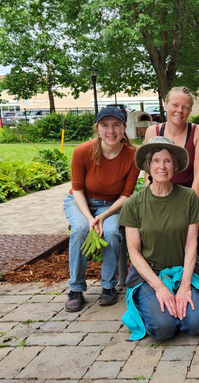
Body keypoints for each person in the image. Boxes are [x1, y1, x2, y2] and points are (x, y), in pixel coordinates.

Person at [118, 136, 199, 341]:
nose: (162, 166)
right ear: (148, 166)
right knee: (164, 329)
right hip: (148, 276)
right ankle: (147, 306)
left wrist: (185, 286)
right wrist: (160, 288)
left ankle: (178, 305)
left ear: (175, 165)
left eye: (167, 161)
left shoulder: (188, 198)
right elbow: (133, 251)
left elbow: (191, 245)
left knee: (196, 325)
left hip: (181, 272)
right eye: (156, 161)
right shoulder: (134, 203)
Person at [63, 106, 140, 312]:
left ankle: (108, 287)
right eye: (105, 125)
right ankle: (76, 288)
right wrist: (90, 219)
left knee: (113, 232)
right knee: (79, 231)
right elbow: (77, 190)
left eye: (116, 125)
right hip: (81, 202)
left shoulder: (132, 155)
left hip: (112, 205)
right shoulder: (83, 151)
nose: (111, 131)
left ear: (124, 128)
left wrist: (104, 216)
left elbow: (126, 195)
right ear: (98, 128)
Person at [143, 87, 199, 287]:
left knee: (194, 221)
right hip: (160, 192)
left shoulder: (198, 132)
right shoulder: (153, 132)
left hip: (193, 192)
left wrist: (190, 207)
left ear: (190, 110)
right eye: (175, 105)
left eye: (185, 107)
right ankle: (156, 270)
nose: (179, 110)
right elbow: (149, 172)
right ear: (166, 105)